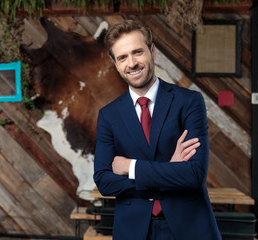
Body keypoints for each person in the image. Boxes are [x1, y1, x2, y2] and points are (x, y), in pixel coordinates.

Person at [93, 20, 221, 240]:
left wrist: (130, 167)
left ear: (152, 52)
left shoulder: (189, 102)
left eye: (138, 52)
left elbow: (194, 175)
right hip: (132, 231)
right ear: (115, 64)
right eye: (122, 57)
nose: (131, 63)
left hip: (189, 228)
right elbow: (104, 181)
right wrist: (170, 169)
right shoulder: (108, 115)